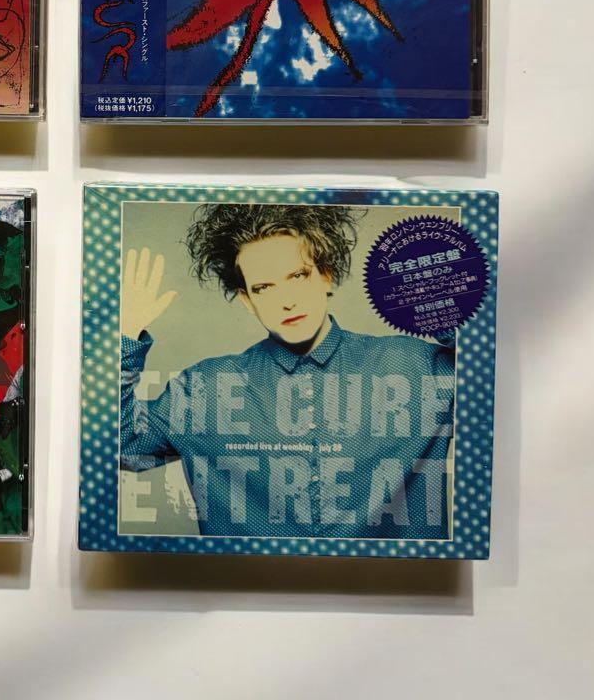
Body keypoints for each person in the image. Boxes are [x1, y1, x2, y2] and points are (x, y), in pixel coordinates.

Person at [120, 204, 455, 540]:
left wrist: (443, 308)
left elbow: (484, 396)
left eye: (297, 276)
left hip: (395, 574)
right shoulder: (204, 389)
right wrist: (124, 337)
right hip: (250, 575)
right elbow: (124, 448)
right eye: (264, 288)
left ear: (325, 275)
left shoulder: (414, 366)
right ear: (247, 300)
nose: (287, 301)